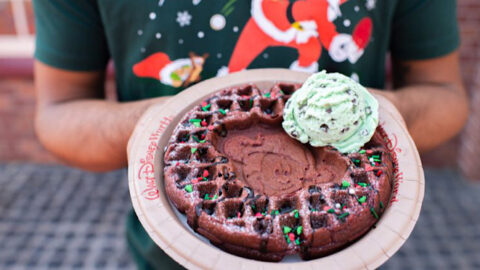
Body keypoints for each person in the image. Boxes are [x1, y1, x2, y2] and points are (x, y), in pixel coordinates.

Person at [33, 0, 469, 269]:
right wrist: (164, 125)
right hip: (169, 255)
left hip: (353, 253)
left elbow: (446, 96)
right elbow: (58, 112)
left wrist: (376, 115)